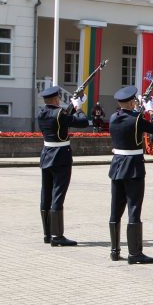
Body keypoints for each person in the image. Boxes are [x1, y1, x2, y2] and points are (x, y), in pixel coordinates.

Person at [107, 86, 153, 264]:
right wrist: (149, 110)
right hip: (133, 168)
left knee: (115, 210)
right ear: (132, 101)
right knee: (134, 209)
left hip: (117, 166)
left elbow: (129, 122)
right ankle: (135, 253)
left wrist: (138, 111)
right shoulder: (138, 118)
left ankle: (115, 250)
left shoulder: (113, 118)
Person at [37, 86, 88, 246]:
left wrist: (74, 105)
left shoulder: (42, 113)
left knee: (46, 195)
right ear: (55, 99)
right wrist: (79, 107)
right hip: (60, 157)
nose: (60, 99)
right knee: (58, 195)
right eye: (58, 97)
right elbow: (83, 122)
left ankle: (47, 234)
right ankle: (58, 236)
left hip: (46, 155)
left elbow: (62, 121)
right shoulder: (60, 113)